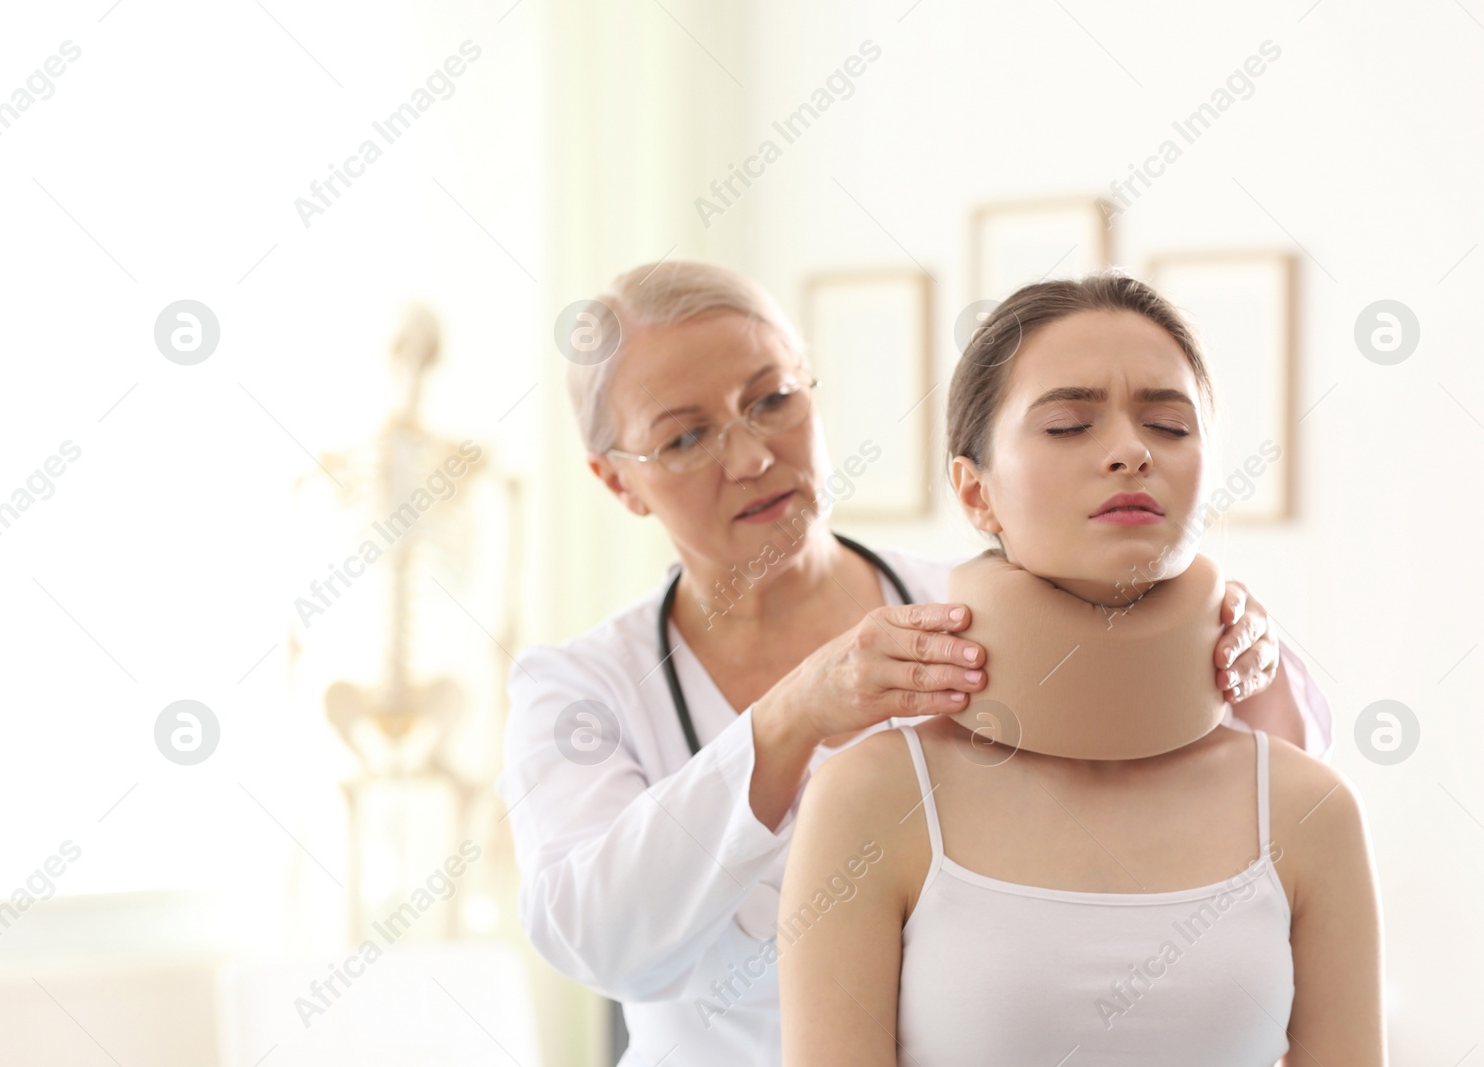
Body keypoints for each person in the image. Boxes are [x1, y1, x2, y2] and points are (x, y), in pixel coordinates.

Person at [495, 260, 1336, 1067]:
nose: (752, 456)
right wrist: (795, 715)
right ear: (617, 483)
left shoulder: (986, 609)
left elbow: (1270, 786)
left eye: (774, 399)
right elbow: (595, 936)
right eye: (686, 436)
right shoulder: (582, 689)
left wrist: (1242, 639)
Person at [778, 273, 1384, 1066]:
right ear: (976, 492)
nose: (1131, 450)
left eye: (1169, 424)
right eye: (1068, 424)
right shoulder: (869, 800)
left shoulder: (1311, 810)